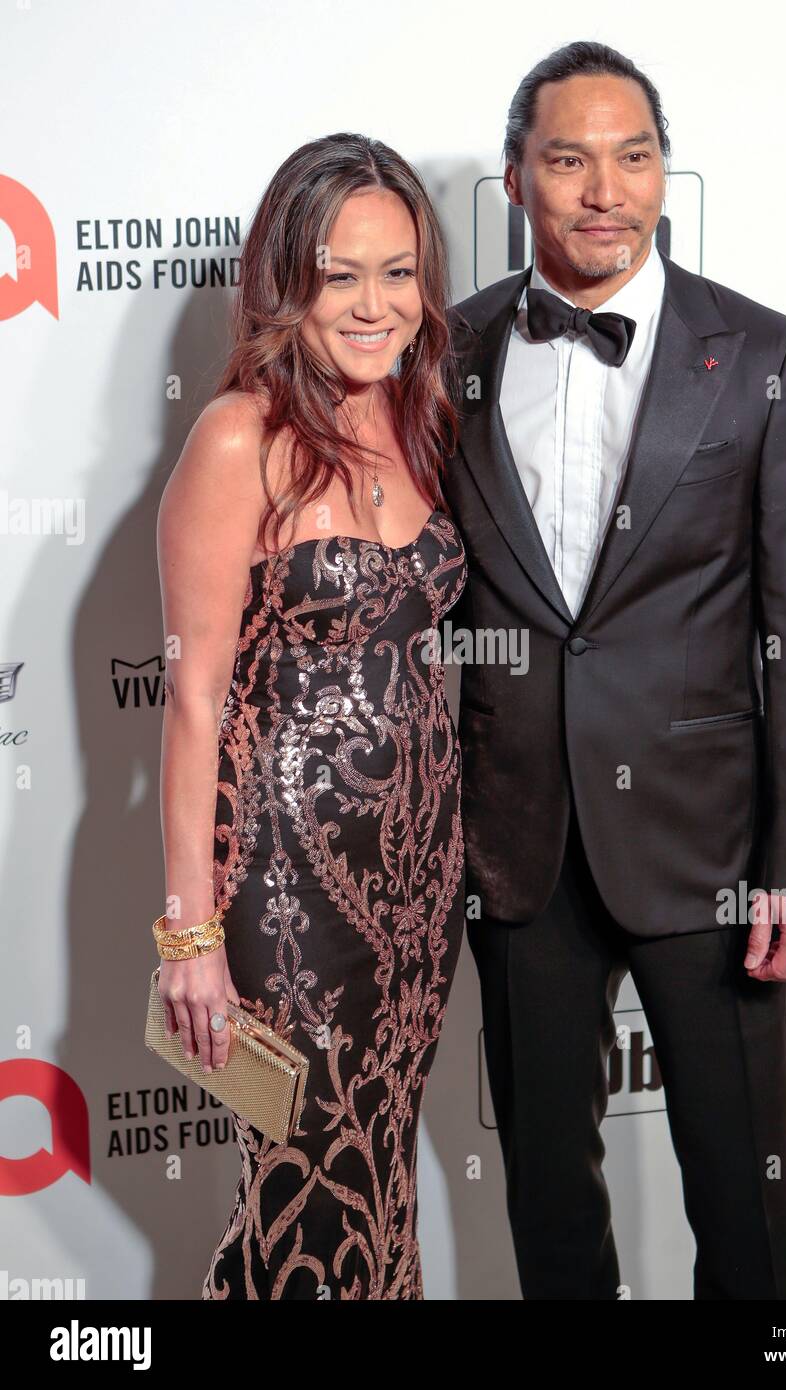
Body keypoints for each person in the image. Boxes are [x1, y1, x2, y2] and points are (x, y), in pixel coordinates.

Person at [442, 41, 786, 1299]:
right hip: (519, 844)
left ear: (664, 171)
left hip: (711, 852)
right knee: (548, 1210)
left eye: (633, 155)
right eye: (568, 159)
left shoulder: (770, 356)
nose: (604, 188)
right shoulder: (440, 357)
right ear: (517, 179)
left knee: (742, 1202)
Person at [155, 133, 467, 1300]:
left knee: (379, 1159)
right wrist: (189, 934)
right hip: (282, 883)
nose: (377, 305)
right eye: (343, 275)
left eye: (399, 272)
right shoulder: (239, 438)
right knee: (299, 1174)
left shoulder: (419, 418)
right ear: (291, 281)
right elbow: (190, 697)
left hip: (417, 876)